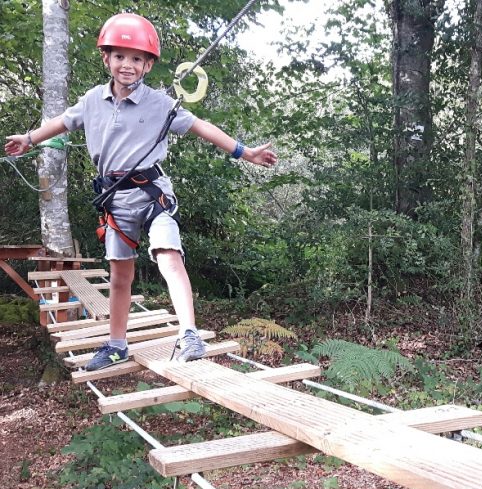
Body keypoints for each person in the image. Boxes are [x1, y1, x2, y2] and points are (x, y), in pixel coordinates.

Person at [4, 13, 277, 371]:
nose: (127, 65)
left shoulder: (160, 103)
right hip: (115, 200)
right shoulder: (91, 101)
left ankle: (189, 334)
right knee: (120, 275)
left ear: (148, 65)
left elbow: (200, 127)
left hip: (152, 194)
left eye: (136, 58)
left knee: (169, 255)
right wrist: (29, 139)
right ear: (106, 59)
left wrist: (244, 152)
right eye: (119, 56)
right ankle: (117, 344)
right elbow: (63, 122)